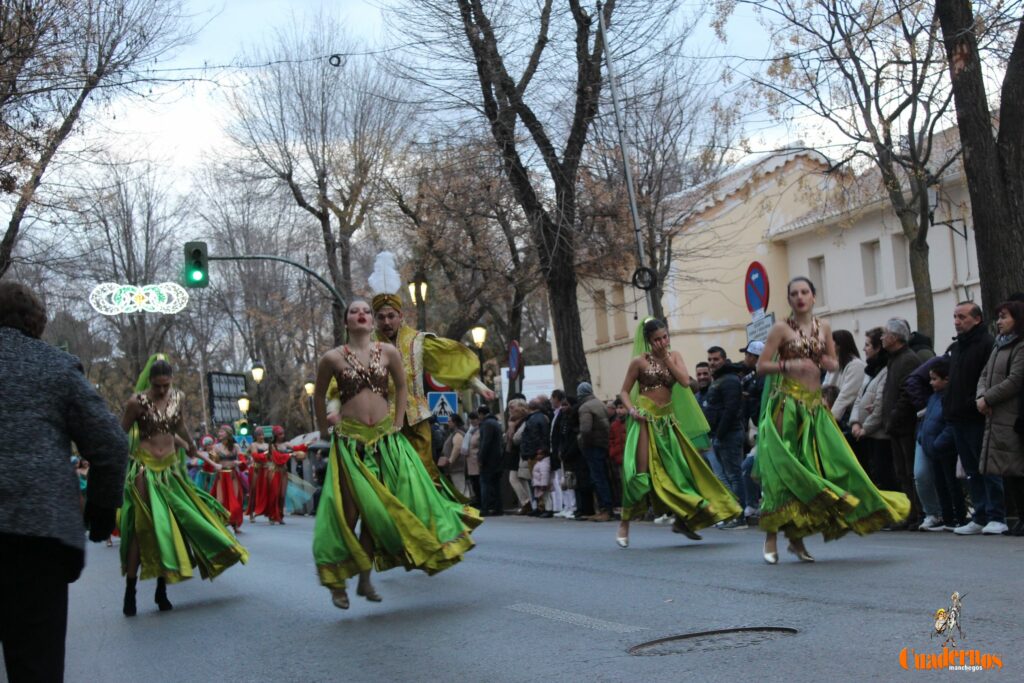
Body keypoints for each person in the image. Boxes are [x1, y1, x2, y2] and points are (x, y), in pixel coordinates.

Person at [312, 300, 479, 609]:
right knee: (349, 516)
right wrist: (324, 431)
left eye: (365, 311)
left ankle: (364, 579)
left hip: (387, 440)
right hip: (351, 445)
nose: (361, 314)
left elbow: (402, 387)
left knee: (383, 513)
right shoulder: (331, 358)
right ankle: (337, 582)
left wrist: (399, 422)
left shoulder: (388, 353)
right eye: (354, 311)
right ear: (347, 322)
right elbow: (320, 396)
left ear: (371, 323)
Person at [1, 282, 129, 682]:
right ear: (34, 322)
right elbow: (110, 442)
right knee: (35, 664)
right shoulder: (55, 366)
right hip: (37, 536)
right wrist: (102, 511)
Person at [755, 277, 909, 564]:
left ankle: (798, 537)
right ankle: (773, 536)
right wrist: (788, 363)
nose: (800, 297)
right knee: (786, 471)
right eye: (794, 293)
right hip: (787, 406)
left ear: (814, 297)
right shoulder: (780, 329)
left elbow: (833, 362)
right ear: (789, 300)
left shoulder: (824, 327)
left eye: (805, 292)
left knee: (833, 467)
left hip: (815, 408)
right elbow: (762, 365)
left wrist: (830, 363)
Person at [118, 355, 248, 616]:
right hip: (144, 469)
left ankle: (161, 590)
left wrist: (191, 447)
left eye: (166, 385)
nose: (162, 390)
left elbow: (179, 426)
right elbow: (120, 434)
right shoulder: (136, 402)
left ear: (172, 381)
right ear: (150, 382)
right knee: (143, 530)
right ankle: (130, 592)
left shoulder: (177, 398)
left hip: (169, 470)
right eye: (157, 386)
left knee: (171, 527)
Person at [362, 252, 495, 494]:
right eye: (381, 317)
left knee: (423, 474)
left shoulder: (418, 342)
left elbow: (447, 363)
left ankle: (428, 525)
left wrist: (478, 386)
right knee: (389, 478)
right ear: (374, 320)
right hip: (381, 424)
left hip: (415, 419)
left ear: (400, 316)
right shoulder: (365, 346)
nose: (386, 322)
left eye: (391, 316)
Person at [615, 318, 741, 548]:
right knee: (640, 474)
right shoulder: (639, 362)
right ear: (648, 341)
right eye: (657, 339)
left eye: (664, 337)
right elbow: (624, 391)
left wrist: (665, 359)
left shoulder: (674, 356)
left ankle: (683, 521)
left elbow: (684, 381)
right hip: (646, 420)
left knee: (681, 473)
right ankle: (624, 522)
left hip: (668, 421)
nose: (662, 342)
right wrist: (632, 410)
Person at [946, 302, 1006, 535]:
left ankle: (996, 515)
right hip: (958, 416)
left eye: (962, 317)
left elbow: (987, 378)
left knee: (987, 467)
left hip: (977, 415)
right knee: (971, 468)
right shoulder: (958, 346)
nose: (957, 321)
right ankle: (980, 514)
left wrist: (977, 401)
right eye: (954, 316)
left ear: (977, 319)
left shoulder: (986, 344)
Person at [976, 301, 1024, 536]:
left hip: (1013, 415)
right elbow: (984, 374)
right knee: (1009, 470)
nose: (999, 321)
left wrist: (988, 399)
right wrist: (981, 397)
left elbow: (1015, 380)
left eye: (1004, 316)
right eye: (998, 317)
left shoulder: (1020, 346)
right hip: (996, 416)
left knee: (1017, 467)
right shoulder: (999, 345)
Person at [880, 319, 924, 529]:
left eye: (885, 333)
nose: (882, 337)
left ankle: (917, 513)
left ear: (896, 337)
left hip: (904, 424)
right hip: (895, 424)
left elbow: (906, 394)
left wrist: (894, 417)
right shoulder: (894, 359)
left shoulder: (907, 360)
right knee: (901, 471)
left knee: (909, 470)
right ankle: (909, 513)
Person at [917, 358, 967, 530]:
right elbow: (927, 420)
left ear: (947, 379)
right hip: (933, 448)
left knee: (951, 484)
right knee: (940, 484)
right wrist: (922, 438)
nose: (931, 383)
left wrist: (939, 443)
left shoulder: (949, 398)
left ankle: (958, 516)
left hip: (944, 449)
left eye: (935, 379)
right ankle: (947, 517)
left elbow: (950, 424)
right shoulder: (934, 397)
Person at [705, 346, 747, 524]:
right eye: (710, 360)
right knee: (728, 477)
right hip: (720, 434)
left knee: (734, 476)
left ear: (724, 359)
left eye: (716, 359)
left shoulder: (729, 380)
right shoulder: (720, 379)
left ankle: (739, 517)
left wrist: (719, 435)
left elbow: (730, 410)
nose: (712, 363)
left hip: (728, 434)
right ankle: (732, 514)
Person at [848, 328, 895, 488]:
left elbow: (880, 403)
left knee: (885, 476)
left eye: (868, 345)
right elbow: (859, 398)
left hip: (879, 435)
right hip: (865, 434)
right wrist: (855, 422)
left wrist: (865, 428)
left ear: (878, 348)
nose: (864, 349)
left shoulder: (886, 370)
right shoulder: (870, 371)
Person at [577, 382, 614, 522]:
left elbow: (585, 430)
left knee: (597, 478)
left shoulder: (585, 407)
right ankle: (607, 507)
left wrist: (581, 442)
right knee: (603, 477)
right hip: (603, 444)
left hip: (592, 446)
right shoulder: (600, 404)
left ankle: (604, 509)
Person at [823, 330, 865, 426]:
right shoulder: (835, 363)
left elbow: (846, 395)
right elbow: (825, 388)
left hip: (845, 418)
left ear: (839, 345)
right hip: (831, 412)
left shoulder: (856, 365)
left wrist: (830, 419)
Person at [521, 398, 553, 517]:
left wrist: (540, 451)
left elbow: (538, 437)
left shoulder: (534, 419)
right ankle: (541, 506)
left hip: (536, 454)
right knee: (538, 481)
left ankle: (542, 506)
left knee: (540, 481)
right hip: (535, 453)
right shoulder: (540, 418)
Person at [212, 424, 245, 533]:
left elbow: (243, 461)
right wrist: (213, 460)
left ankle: (234, 524)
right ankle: (221, 524)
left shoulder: (236, 447)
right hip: (221, 476)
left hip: (232, 476)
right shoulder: (216, 447)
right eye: (219, 432)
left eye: (222, 431)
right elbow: (211, 463)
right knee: (220, 501)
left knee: (234, 501)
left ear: (228, 434)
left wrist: (239, 462)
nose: (219, 433)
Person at [476, 406, 504, 516]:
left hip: (488, 459)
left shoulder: (486, 424)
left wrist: (481, 458)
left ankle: (485, 508)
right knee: (496, 485)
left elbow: (485, 442)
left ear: (481, 414)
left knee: (485, 483)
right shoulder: (496, 423)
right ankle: (498, 508)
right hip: (497, 458)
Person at [439, 415, 468, 499]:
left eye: (449, 421)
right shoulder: (454, 433)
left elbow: (457, 448)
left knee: (460, 490)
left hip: (457, 468)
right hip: (454, 468)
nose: (448, 423)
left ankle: (465, 509)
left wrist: (450, 461)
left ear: (455, 422)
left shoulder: (458, 434)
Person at [247, 427, 271, 523]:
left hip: (266, 469)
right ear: (256, 436)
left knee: (268, 491)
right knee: (253, 490)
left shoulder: (267, 445)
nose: (261, 436)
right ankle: (252, 513)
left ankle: (269, 514)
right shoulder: (253, 445)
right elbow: (255, 456)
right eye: (259, 435)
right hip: (256, 469)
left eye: (262, 434)